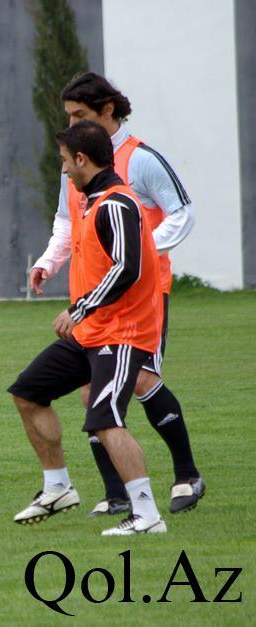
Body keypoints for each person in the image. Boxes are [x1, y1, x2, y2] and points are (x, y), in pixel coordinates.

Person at [30, 72, 204, 516]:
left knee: (140, 379)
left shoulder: (141, 159)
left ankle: (186, 475)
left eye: (79, 115)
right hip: (92, 299)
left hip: (140, 295)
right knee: (91, 392)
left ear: (107, 110)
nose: (71, 124)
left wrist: (140, 249)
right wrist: (48, 262)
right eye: (68, 115)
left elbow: (182, 213)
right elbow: (66, 221)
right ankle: (116, 495)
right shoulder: (74, 163)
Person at [10, 120, 167, 535]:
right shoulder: (91, 201)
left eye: (65, 161)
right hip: (92, 333)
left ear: (81, 159)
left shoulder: (116, 203)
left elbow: (127, 268)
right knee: (28, 392)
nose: (63, 169)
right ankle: (58, 488)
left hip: (123, 334)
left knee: (105, 417)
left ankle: (147, 514)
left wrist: (79, 309)